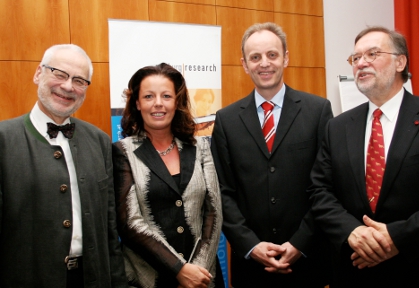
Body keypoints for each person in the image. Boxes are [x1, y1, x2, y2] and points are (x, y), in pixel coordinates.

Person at [307, 26, 419, 287]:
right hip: (354, 269)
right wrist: (352, 232)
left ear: (400, 62)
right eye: (355, 58)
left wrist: (398, 237)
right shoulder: (337, 127)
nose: (361, 63)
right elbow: (320, 191)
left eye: (372, 54)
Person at [211, 22, 333, 287]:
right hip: (251, 268)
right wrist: (251, 245)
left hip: (308, 261)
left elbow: (327, 185)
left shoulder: (318, 111)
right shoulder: (226, 120)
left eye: (272, 55)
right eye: (255, 57)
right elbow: (222, 192)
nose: (264, 63)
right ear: (244, 64)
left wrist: (300, 242)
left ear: (286, 58)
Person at [0, 44, 127, 287]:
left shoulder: (100, 141)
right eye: (59, 74)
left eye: (79, 80)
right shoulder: (4, 140)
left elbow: (110, 230)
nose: (68, 86)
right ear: (39, 73)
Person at [112, 63, 223, 288]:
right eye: (149, 96)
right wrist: (179, 270)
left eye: (166, 96)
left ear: (176, 102)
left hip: (203, 279)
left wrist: (196, 273)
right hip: (149, 278)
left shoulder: (200, 147)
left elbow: (213, 212)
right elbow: (130, 223)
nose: (158, 103)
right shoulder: (123, 152)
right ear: (137, 103)